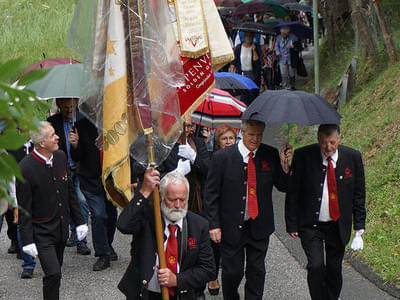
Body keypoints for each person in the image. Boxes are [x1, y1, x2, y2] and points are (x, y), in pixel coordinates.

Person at [204, 119, 292, 300]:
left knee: (256, 272)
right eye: (252, 134)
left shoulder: (269, 154)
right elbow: (211, 194)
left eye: (259, 134)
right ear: (241, 133)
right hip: (231, 226)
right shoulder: (223, 158)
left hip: (259, 225)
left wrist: (284, 165)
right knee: (232, 272)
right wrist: (214, 225)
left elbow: (283, 186)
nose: (256, 138)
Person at [285, 124, 366, 300]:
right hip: (311, 225)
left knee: (334, 269)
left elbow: (359, 194)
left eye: (332, 142)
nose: (328, 147)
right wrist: (291, 223)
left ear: (339, 139)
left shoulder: (352, 157)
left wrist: (359, 226)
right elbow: (293, 192)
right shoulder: (303, 156)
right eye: (323, 143)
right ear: (318, 140)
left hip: (337, 225)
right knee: (315, 266)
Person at [117, 169, 215, 300]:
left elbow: (208, 270)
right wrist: (145, 191)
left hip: (182, 294)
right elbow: (123, 225)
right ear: (161, 197)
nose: (178, 205)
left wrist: (177, 280)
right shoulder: (148, 217)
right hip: (145, 294)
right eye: (172, 199)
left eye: (182, 199)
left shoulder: (199, 225)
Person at [17, 121, 88, 300]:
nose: (57, 137)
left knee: (54, 274)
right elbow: (24, 208)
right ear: (41, 143)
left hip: (61, 230)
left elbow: (70, 191)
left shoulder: (61, 157)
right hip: (42, 233)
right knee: (54, 273)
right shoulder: (25, 168)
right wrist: (27, 241)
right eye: (52, 136)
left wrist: (80, 221)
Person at [69, 117, 118, 271]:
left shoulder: (115, 121)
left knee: (111, 214)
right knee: (98, 214)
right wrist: (75, 145)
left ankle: (107, 244)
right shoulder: (81, 126)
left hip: (111, 179)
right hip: (90, 179)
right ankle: (103, 255)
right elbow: (77, 157)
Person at [47, 98, 91, 255]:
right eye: (65, 107)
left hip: (79, 168)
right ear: (59, 106)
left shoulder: (83, 120)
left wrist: (76, 145)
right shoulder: (52, 122)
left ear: (76, 103)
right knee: (65, 202)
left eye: (71, 106)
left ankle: (81, 240)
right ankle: (72, 231)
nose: (68, 110)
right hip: (61, 169)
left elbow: (87, 149)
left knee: (81, 201)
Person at [207, 124, 237, 296]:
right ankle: (213, 276)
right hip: (215, 209)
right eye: (224, 139)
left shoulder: (241, 157)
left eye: (231, 138)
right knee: (214, 247)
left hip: (232, 211)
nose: (228, 142)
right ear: (218, 141)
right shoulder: (215, 157)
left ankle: (228, 278)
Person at [160, 116, 210, 214]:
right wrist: (177, 173)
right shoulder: (165, 146)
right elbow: (158, 174)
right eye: (183, 126)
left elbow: (209, 171)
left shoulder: (198, 143)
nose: (186, 130)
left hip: (196, 202)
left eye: (189, 126)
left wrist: (194, 157)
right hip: (173, 201)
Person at [232, 32, 263, 105]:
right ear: (244, 37)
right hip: (242, 74)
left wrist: (254, 50)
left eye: (250, 36)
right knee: (243, 96)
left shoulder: (256, 47)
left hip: (253, 75)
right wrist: (232, 72)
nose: (249, 38)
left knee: (253, 96)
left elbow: (258, 62)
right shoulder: (239, 47)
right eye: (247, 36)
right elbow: (234, 61)